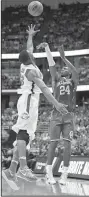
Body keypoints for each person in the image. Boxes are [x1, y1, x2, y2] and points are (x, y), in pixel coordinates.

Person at [2, 25, 68, 190]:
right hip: (28, 101)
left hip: (31, 101)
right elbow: (45, 89)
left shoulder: (25, 64)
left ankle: (11, 170)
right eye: (30, 53)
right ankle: (23, 168)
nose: (31, 52)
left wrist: (30, 35)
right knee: (23, 134)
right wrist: (57, 104)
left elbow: (28, 48)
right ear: (30, 57)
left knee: (27, 136)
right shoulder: (31, 72)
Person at [37, 43, 79, 185]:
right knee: (53, 144)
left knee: (67, 145)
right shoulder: (55, 80)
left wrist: (64, 58)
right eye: (63, 67)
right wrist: (48, 48)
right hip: (55, 115)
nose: (65, 68)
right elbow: (52, 65)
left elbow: (75, 72)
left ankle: (64, 175)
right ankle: (49, 173)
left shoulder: (73, 82)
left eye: (66, 67)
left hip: (69, 115)